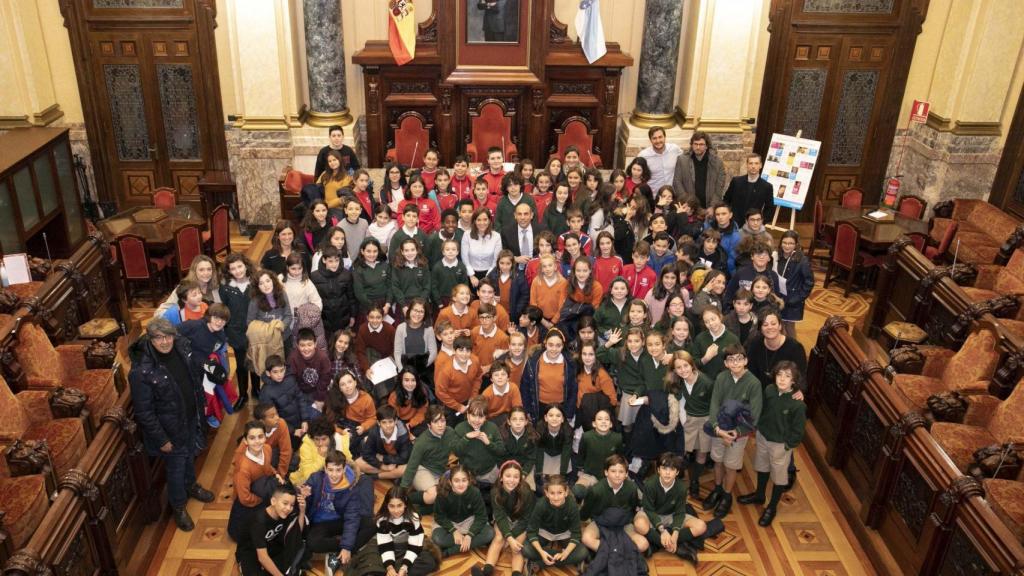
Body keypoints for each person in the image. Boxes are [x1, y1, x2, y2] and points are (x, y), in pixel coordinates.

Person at [129, 318, 215, 532]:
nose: (165, 342)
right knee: (176, 468)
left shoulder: (181, 347)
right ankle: (178, 507)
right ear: (150, 339)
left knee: (189, 456)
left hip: (190, 417)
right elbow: (144, 412)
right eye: (159, 338)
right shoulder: (141, 371)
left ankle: (191, 486)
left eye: (168, 336)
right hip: (170, 430)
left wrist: (200, 406)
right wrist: (162, 439)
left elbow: (193, 379)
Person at [738, 360, 806, 527]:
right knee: (762, 466)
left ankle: (772, 507)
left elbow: (798, 431)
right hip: (763, 436)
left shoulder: (797, 404)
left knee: (779, 476)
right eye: (779, 375)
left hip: (780, 445)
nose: (782, 379)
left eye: (787, 376)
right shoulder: (769, 390)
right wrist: (758, 429)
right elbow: (762, 409)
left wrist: (787, 446)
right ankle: (759, 495)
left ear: (793, 381)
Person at [703, 344, 763, 519]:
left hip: (738, 433)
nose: (735, 363)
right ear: (726, 363)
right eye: (731, 360)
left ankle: (727, 495)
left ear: (746, 361)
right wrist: (716, 428)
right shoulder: (721, 378)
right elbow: (714, 403)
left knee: (730, 466)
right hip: (719, 429)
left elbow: (755, 415)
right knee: (718, 461)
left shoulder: (754, 383)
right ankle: (717, 488)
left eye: (739, 359)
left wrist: (736, 432)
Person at [304, 449, 376, 574]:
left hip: (339, 519)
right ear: (325, 469)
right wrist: (305, 495)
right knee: (313, 542)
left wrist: (346, 547)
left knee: (371, 525)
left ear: (344, 469)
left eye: (338, 470)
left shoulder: (351, 486)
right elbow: (302, 499)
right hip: (319, 522)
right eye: (330, 470)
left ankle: (339, 554)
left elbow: (352, 517)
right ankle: (347, 549)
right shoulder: (315, 478)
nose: (334, 474)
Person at [347, 486, 437, 576]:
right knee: (369, 564)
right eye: (392, 506)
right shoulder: (382, 520)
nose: (396, 511)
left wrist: (404, 567)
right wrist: (389, 567)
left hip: (404, 548)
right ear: (387, 505)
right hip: (381, 548)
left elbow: (414, 546)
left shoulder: (413, 518)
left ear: (405, 504)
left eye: (399, 505)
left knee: (428, 561)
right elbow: (385, 546)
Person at [640, 452, 706, 563]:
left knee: (701, 526)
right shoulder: (650, 484)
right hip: (652, 514)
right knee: (639, 524)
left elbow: (680, 512)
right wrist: (662, 531)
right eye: (664, 468)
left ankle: (662, 542)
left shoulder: (681, 488)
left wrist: (675, 534)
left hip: (670, 515)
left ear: (677, 472)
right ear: (658, 470)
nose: (667, 473)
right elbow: (649, 509)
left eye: (672, 469)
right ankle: (674, 548)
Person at [580, 454, 651, 555]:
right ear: (606, 472)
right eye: (613, 471)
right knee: (586, 538)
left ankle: (608, 551)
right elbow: (586, 512)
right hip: (601, 524)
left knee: (643, 544)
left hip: (623, 524)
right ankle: (617, 551)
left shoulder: (631, 488)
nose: (617, 475)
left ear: (626, 474)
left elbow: (633, 506)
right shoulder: (596, 490)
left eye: (621, 472)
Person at [234, 482, 308, 576]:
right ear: (273, 501)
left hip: (271, 546)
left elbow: (297, 533)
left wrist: (302, 511)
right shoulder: (259, 521)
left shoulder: (284, 513)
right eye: (285, 503)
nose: (288, 508)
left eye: (292, 505)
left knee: (297, 544)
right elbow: (262, 557)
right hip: (251, 551)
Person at [476, 460, 534, 576]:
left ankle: (516, 574)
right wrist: (509, 537)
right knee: (498, 538)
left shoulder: (527, 492)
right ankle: (486, 571)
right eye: (508, 476)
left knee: (517, 546)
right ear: (501, 477)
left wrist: (511, 539)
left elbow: (526, 519)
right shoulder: (495, 491)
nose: (511, 480)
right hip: (504, 518)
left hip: (521, 522)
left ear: (520, 479)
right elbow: (500, 516)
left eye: (516, 477)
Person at [228, 421, 280, 542]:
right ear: (245, 441)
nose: (257, 441)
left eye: (260, 437)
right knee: (244, 533)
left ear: (265, 437)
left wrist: (276, 474)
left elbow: (267, 467)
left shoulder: (267, 449)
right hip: (250, 500)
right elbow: (245, 498)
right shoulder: (243, 468)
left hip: (262, 489)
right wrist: (262, 500)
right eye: (252, 438)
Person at [431, 464, 495, 557]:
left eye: (464, 480)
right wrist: (454, 531)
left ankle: (448, 552)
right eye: (456, 481)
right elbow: (439, 516)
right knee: (437, 538)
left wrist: (469, 536)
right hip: (449, 522)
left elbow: (481, 517)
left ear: (468, 481)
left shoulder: (475, 492)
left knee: (489, 533)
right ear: (450, 482)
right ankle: (472, 541)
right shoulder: (442, 494)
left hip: (469, 520)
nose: (461, 484)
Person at [400, 407, 454, 507]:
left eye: (442, 421)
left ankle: (423, 506)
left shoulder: (450, 432)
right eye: (435, 422)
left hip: (440, 471)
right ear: (429, 425)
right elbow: (412, 466)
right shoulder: (422, 442)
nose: (440, 425)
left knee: (455, 491)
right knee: (433, 496)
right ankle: (405, 498)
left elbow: (459, 448)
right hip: (422, 469)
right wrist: (402, 490)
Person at [520, 330, 577, 423]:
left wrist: (569, 412)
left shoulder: (570, 363)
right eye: (550, 345)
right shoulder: (533, 361)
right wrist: (527, 409)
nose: (554, 349)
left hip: (562, 407)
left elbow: (573, 390)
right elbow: (525, 386)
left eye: (558, 345)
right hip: (539, 407)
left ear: (563, 346)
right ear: (545, 344)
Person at [452, 396, 505, 485]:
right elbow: (456, 452)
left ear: (486, 417)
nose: (476, 420)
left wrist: (488, 443)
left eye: (481, 416)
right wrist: (466, 438)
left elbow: (501, 451)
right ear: (467, 414)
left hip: (489, 472)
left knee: (491, 491)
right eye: (473, 415)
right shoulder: (459, 428)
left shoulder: (492, 427)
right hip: (467, 474)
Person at [772, 230, 815, 337]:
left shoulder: (802, 260)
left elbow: (809, 282)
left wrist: (798, 298)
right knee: (780, 324)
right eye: (784, 242)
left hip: (793, 300)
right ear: (781, 243)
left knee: (789, 327)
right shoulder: (777, 256)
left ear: (796, 245)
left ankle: (793, 346)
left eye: (791, 243)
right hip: (778, 298)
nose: (787, 246)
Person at [673, 131, 728, 211]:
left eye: (701, 144)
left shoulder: (717, 162)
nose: (698, 147)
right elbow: (677, 182)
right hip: (688, 207)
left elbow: (719, 187)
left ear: (706, 146)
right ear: (692, 145)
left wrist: (713, 206)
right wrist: (687, 203)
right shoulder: (682, 160)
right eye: (695, 144)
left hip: (709, 208)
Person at [311, 246, 357, 336]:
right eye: (330, 261)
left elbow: (351, 297)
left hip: (343, 319)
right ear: (324, 260)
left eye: (336, 260)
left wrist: (352, 316)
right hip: (324, 321)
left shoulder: (346, 274)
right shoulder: (314, 277)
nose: (334, 264)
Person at [724, 152, 774, 221]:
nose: (753, 166)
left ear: (760, 165)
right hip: (734, 223)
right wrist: (727, 217)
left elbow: (769, 209)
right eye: (751, 163)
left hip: (753, 224)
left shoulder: (767, 187)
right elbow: (726, 201)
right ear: (747, 165)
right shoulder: (736, 182)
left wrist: (760, 222)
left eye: (756, 163)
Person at [462, 207, 503, 288]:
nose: (482, 223)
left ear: (489, 220)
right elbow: (464, 258)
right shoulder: (467, 235)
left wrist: (488, 277)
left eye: (485, 219)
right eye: (479, 220)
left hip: (490, 274)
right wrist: (471, 276)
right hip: (471, 274)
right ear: (474, 221)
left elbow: (496, 260)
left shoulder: (496, 236)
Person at [500, 202, 546, 268]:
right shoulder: (506, 232)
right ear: (515, 215)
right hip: (515, 269)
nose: (522, 217)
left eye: (526, 214)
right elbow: (504, 255)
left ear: (531, 215)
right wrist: (515, 259)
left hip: (538, 267)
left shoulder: (541, 230)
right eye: (519, 214)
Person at [637, 126, 683, 191]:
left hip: (671, 193)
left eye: (660, 137)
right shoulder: (643, 155)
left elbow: (684, 161)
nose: (658, 141)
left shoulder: (674, 149)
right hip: (653, 194)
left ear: (665, 137)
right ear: (650, 140)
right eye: (654, 138)